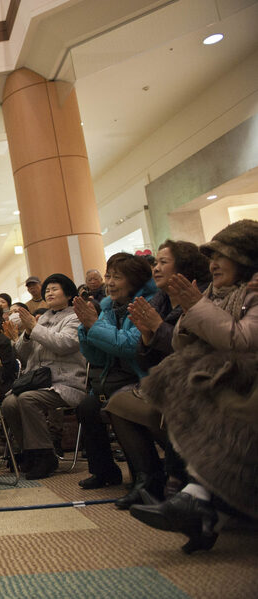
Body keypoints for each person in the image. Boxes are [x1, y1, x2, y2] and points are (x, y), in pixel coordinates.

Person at [130, 219, 257, 553]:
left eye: (223, 255)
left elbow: (241, 341)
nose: (213, 263)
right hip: (221, 374)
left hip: (243, 376)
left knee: (198, 395)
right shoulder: (211, 295)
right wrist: (157, 329)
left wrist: (194, 308)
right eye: (211, 256)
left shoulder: (253, 292)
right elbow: (181, 346)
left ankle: (191, 499)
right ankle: (187, 497)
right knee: (170, 387)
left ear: (245, 259)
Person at [107, 240, 210, 508]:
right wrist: (146, 334)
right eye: (156, 262)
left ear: (184, 267)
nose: (157, 268)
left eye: (164, 262)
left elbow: (193, 348)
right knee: (117, 402)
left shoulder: (200, 297)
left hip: (195, 379)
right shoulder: (159, 300)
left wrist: (157, 328)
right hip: (164, 379)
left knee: (128, 398)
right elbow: (146, 357)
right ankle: (148, 479)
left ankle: (173, 483)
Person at [74, 252, 156, 490]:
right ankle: (105, 471)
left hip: (143, 377)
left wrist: (93, 325)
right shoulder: (109, 307)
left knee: (119, 402)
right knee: (87, 406)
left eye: (116, 277)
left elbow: (131, 346)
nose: (109, 282)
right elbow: (98, 356)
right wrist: (86, 331)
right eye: (108, 275)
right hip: (115, 377)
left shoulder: (147, 303)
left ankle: (145, 477)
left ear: (134, 280)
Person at [0, 274, 86, 480]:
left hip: (65, 382)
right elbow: (21, 352)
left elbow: (63, 344)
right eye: (47, 289)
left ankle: (46, 455)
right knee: (9, 403)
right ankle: (29, 452)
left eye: (54, 288)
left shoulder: (75, 317)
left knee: (27, 400)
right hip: (37, 382)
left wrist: (34, 327)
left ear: (68, 293)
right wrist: (29, 333)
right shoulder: (43, 317)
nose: (49, 292)